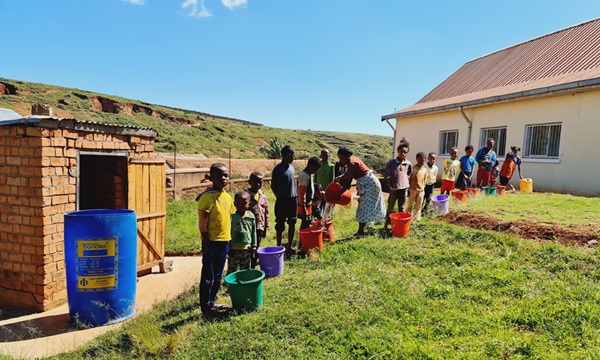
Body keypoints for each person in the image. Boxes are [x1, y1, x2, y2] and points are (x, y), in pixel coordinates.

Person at [197, 163, 235, 315]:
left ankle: (212, 301)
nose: (224, 178)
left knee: (218, 275)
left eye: (226, 175)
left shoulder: (227, 197)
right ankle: (205, 307)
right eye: (219, 176)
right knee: (209, 275)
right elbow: (202, 224)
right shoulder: (207, 198)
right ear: (211, 178)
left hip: (224, 241)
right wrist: (207, 245)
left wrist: (229, 240)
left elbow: (229, 219)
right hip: (211, 242)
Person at [335, 147, 386, 237]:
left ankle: (361, 232)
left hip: (370, 185)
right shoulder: (350, 161)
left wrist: (338, 194)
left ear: (348, 156)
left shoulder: (352, 163)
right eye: (339, 159)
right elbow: (349, 173)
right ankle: (363, 229)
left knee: (364, 207)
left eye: (342, 159)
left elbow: (348, 184)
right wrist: (341, 177)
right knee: (364, 206)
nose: (340, 161)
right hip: (368, 183)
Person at [270, 145, 298, 254]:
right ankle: (278, 247)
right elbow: (273, 185)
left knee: (292, 223)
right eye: (293, 155)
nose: (294, 157)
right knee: (280, 224)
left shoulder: (292, 168)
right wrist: (279, 196)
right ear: (287, 155)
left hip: (293, 200)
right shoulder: (278, 169)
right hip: (282, 200)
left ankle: (289, 247)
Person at [380, 141, 411, 231]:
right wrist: (387, 176)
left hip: (404, 188)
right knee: (391, 206)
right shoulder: (392, 162)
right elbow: (383, 170)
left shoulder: (408, 163)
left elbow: (409, 172)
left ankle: (400, 224)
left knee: (401, 207)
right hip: (394, 188)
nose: (403, 154)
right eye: (401, 151)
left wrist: (405, 180)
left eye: (405, 152)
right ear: (398, 151)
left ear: (407, 153)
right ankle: (387, 223)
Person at [226, 191, 257, 277]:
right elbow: (228, 231)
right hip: (233, 249)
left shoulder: (251, 216)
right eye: (238, 203)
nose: (241, 205)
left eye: (244, 203)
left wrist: (254, 246)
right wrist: (228, 246)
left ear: (249, 204)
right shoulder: (232, 217)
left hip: (246, 249)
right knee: (232, 270)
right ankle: (230, 286)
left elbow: (253, 232)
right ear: (234, 204)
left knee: (245, 270)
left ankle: (243, 286)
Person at [245, 172, 269, 268]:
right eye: (255, 182)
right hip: (248, 228)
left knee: (256, 247)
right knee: (248, 248)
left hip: (259, 227)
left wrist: (266, 227)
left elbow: (266, 212)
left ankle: (253, 267)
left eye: (260, 182)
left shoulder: (262, 196)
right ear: (250, 182)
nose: (258, 184)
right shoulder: (245, 195)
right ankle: (247, 266)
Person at [297, 156, 321, 233]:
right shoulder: (304, 175)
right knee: (304, 223)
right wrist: (303, 205)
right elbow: (302, 192)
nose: (315, 171)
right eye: (315, 169)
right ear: (311, 166)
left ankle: (304, 242)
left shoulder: (309, 174)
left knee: (307, 222)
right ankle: (302, 242)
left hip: (308, 203)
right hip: (304, 204)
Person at [405, 152, 427, 221]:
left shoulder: (425, 170)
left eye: (423, 160)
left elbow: (425, 180)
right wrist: (408, 189)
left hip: (421, 190)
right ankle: (408, 216)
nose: (421, 162)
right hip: (412, 189)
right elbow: (409, 179)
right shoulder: (413, 169)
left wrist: (423, 189)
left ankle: (417, 218)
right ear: (416, 159)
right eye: (419, 160)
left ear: (425, 160)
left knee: (419, 205)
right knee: (410, 204)